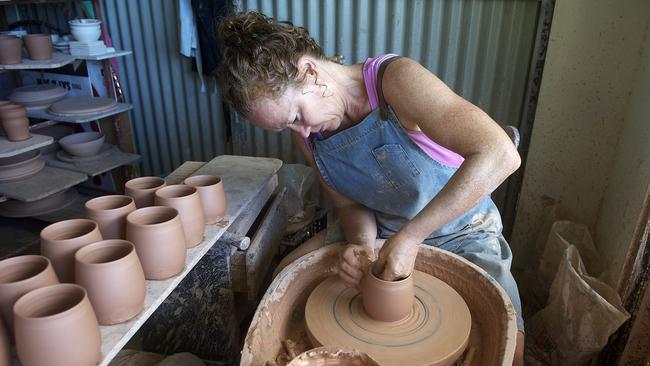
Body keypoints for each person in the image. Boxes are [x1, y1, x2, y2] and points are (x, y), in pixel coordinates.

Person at [217, 11, 524, 365]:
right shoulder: (310, 136)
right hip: (383, 232)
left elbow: (500, 154)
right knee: (284, 277)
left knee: (509, 351)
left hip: (462, 230)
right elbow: (349, 207)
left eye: (297, 117)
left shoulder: (395, 81)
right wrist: (362, 245)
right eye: (287, 128)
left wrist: (411, 237)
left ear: (310, 72)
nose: (300, 133)